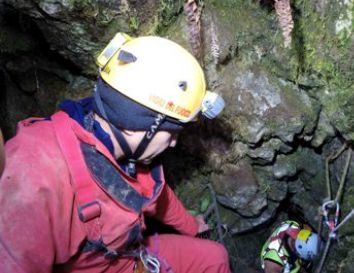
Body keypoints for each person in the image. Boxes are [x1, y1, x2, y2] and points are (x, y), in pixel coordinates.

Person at [0, 33, 230, 273]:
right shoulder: (33, 175)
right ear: (142, 125)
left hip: (129, 257)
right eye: (172, 133)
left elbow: (156, 196)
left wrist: (192, 226)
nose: (173, 143)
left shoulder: (127, 150)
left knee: (215, 258)